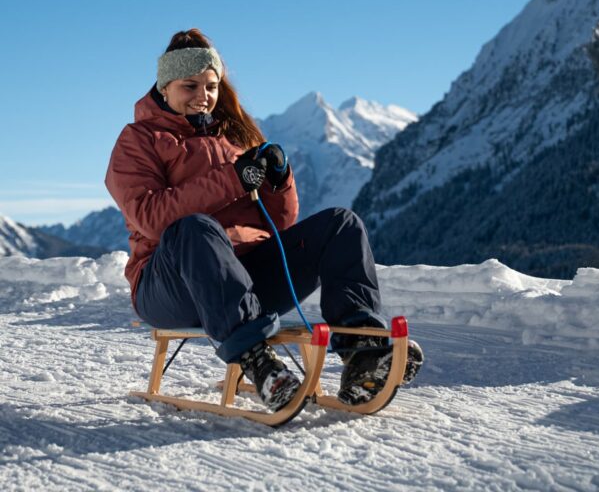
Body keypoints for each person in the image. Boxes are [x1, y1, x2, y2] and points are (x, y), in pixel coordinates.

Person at [105, 28, 422, 412]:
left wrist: (278, 180)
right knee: (196, 227)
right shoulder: (138, 140)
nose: (202, 97)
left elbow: (280, 224)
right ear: (165, 86)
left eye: (211, 86)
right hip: (170, 284)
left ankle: (364, 352)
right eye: (190, 86)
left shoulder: (232, 138)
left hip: (245, 280)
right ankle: (258, 362)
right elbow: (150, 218)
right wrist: (232, 178)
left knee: (341, 224)